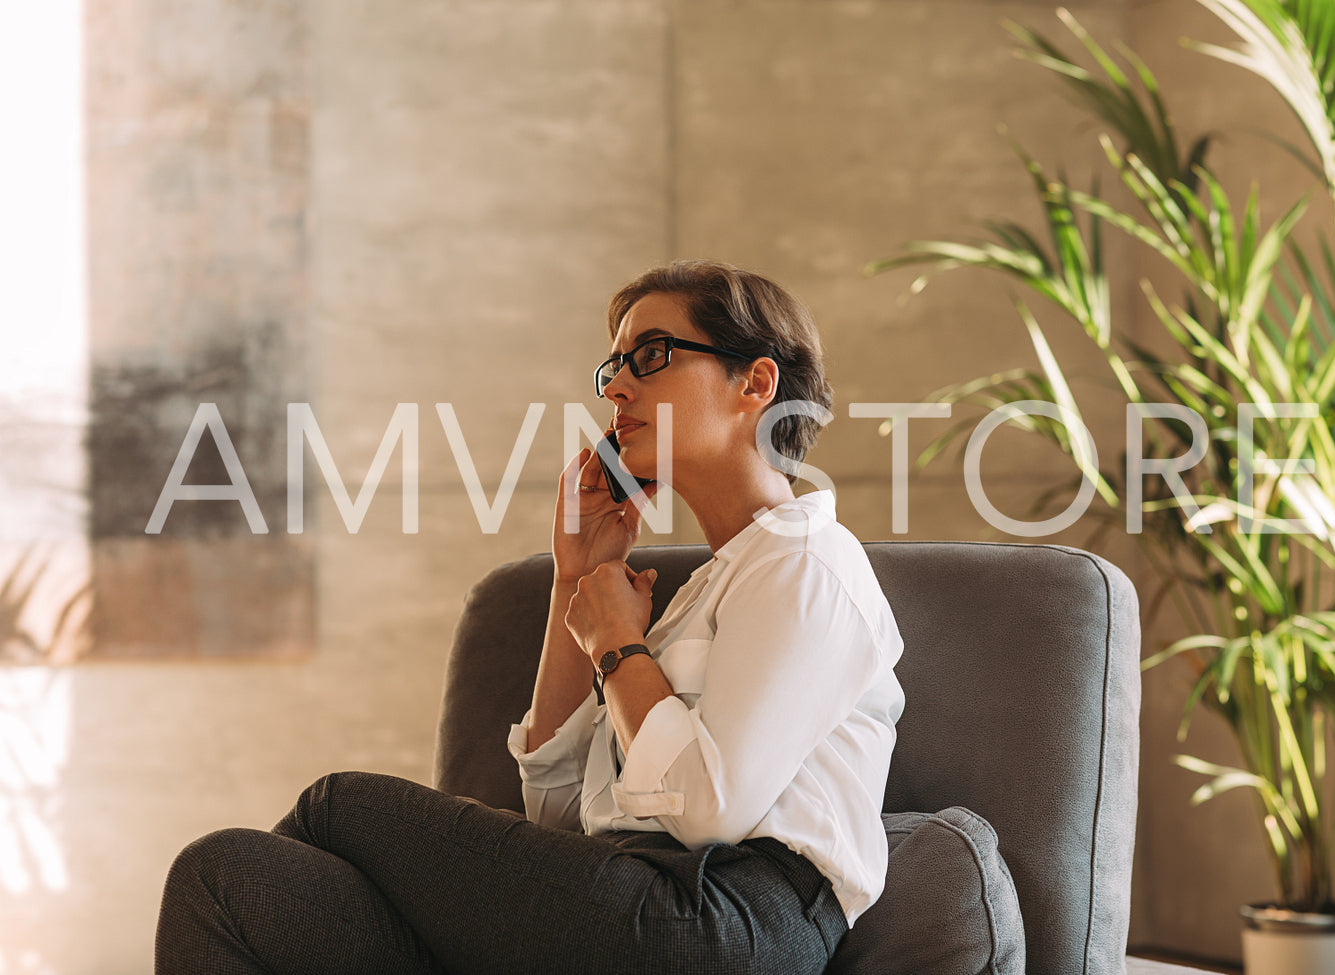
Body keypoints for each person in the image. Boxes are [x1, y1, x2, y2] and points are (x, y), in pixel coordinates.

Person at [155, 260, 906, 974]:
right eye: (612, 367)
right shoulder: (705, 593)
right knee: (225, 876)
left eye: (651, 354)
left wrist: (617, 644)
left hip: (728, 925)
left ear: (756, 384)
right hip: (627, 904)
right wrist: (576, 577)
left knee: (334, 806)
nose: (617, 388)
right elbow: (552, 814)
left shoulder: (806, 562)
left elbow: (709, 808)